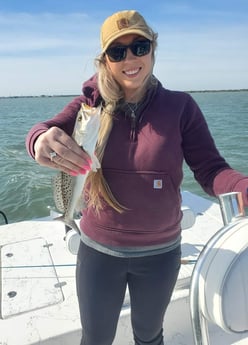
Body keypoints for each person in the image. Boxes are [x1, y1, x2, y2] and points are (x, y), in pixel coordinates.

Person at [26, 9, 248, 345]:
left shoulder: (181, 107)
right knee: (96, 338)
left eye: (139, 47)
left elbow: (211, 169)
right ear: (105, 61)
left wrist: (242, 187)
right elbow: (45, 130)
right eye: (118, 51)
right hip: (99, 253)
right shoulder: (89, 106)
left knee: (149, 336)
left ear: (153, 50)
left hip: (160, 255)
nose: (130, 58)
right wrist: (39, 141)